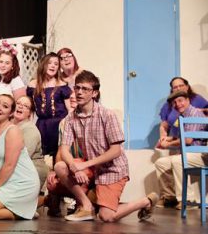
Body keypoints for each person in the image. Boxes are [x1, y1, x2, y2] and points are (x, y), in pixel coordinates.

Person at [54, 70, 158, 222]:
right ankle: (87, 205)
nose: (79, 92)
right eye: (77, 88)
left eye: (85, 89)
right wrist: (73, 166)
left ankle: (145, 201)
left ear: (94, 93)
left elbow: (116, 151)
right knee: (60, 167)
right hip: (92, 169)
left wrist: (84, 165)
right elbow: (64, 148)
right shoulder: (71, 118)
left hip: (111, 169)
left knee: (106, 216)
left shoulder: (107, 115)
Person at [154, 90, 208, 208]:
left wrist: (169, 144)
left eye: (180, 101)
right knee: (161, 163)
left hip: (200, 153)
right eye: (174, 102)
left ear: (187, 100)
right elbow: (183, 136)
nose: (178, 104)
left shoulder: (194, 114)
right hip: (190, 153)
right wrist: (168, 138)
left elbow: (188, 140)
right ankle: (170, 197)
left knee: (178, 160)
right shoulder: (183, 116)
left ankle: (188, 200)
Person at [26, 53, 72, 156]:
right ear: (43, 65)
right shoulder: (33, 85)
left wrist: (67, 127)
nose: (53, 66)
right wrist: (29, 126)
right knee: (41, 154)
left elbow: (70, 109)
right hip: (41, 125)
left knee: (58, 155)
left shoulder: (61, 85)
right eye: (50, 63)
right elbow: (31, 108)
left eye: (56, 64)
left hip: (59, 124)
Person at [158, 77, 208, 146]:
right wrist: (164, 138)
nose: (178, 88)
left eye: (181, 86)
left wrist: (202, 110)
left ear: (187, 87)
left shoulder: (196, 104)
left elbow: (188, 140)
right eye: (175, 87)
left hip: (191, 148)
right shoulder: (169, 105)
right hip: (179, 142)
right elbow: (164, 125)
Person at [12, 96, 48, 192]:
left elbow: (23, 157)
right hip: (11, 166)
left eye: (25, 106)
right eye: (18, 103)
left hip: (30, 169)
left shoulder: (30, 129)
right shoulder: (8, 124)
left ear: (29, 113)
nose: (20, 107)